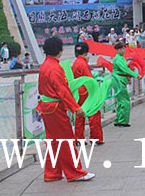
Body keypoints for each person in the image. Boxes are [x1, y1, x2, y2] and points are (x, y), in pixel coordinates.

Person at [37, 36, 94, 182]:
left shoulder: (45, 65)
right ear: (60, 50)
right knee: (66, 139)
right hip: (55, 108)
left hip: (47, 107)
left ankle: (52, 173)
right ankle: (75, 172)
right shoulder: (55, 68)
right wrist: (76, 108)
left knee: (54, 140)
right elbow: (63, 90)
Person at [72, 42, 104, 144]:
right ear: (86, 52)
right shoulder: (83, 63)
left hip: (78, 91)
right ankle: (96, 137)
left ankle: (78, 138)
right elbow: (89, 79)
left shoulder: (75, 62)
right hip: (86, 90)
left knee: (79, 115)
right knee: (93, 113)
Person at [113, 41, 140, 127]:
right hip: (119, 80)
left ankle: (119, 119)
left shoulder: (120, 58)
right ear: (119, 49)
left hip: (119, 80)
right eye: (122, 49)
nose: (124, 50)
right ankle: (123, 121)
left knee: (121, 100)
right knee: (125, 100)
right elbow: (125, 69)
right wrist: (136, 75)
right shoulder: (119, 59)